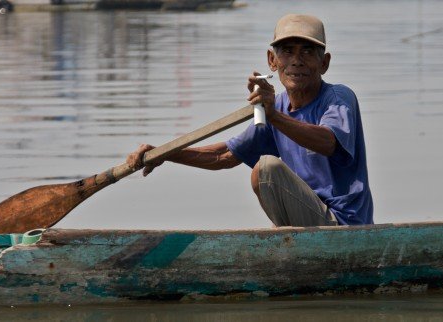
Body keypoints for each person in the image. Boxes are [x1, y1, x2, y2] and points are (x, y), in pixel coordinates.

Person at [127, 14, 373, 226]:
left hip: (344, 225)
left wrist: (274, 116)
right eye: (287, 52)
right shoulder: (275, 107)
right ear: (272, 61)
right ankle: (291, 243)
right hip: (311, 224)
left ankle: (290, 242)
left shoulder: (338, 97)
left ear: (324, 63)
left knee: (265, 169)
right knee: (262, 170)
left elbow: (328, 142)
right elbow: (223, 156)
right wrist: (165, 154)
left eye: (308, 52)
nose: (297, 61)